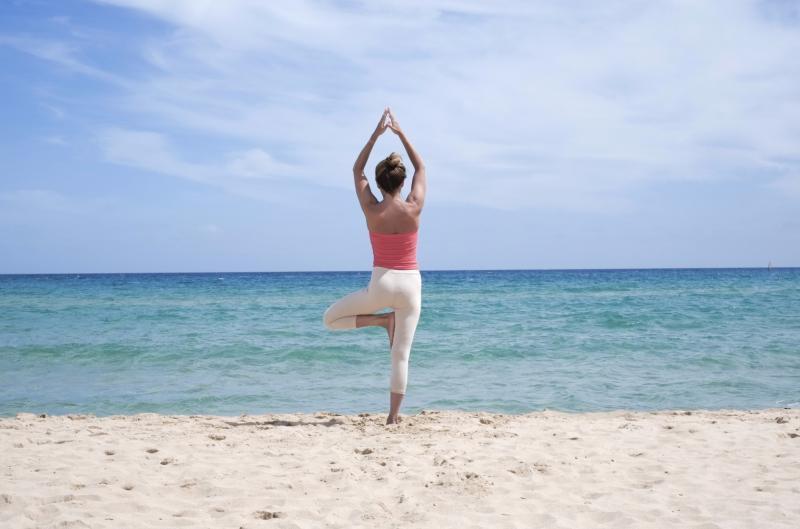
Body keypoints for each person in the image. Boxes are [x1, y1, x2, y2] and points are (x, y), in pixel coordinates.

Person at [322, 107, 426, 425]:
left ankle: (381, 321)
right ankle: (393, 418)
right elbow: (421, 166)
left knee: (330, 320)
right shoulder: (414, 207)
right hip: (410, 286)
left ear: (379, 184)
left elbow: (357, 170)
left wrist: (375, 136)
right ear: (402, 182)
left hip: (381, 284)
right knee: (401, 356)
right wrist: (401, 133)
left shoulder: (371, 208)